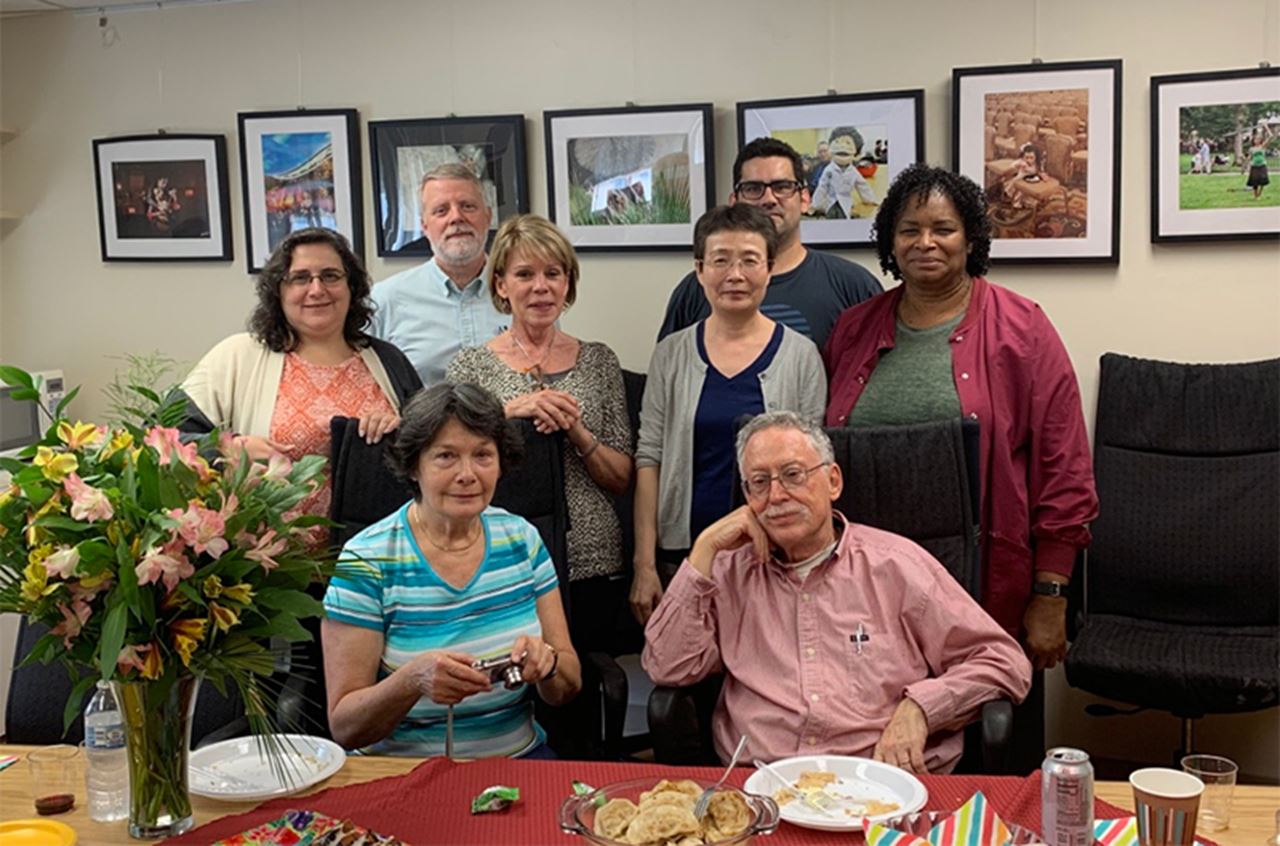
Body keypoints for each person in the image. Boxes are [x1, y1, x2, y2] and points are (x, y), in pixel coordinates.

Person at [823, 164, 1098, 765]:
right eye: (909, 229)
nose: (925, 242)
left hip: (983, 580)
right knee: (884, 747)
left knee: (990, 751)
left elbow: (1065, 465)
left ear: (971, 238)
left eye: (943, 228)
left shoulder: (1022, 327)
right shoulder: (853, 329)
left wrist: (1052, 591)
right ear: (889, 243)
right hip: (869, 589)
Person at [643, 411, 1031, 773]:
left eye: (793, 475)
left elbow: (1004, 661)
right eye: (759, 482)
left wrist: (922, 708)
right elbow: (667, 667)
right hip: (763, 789)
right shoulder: (727, 573)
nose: (776, 496)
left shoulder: (896, 566)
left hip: (881, 785)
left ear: (833, 481)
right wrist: (705, 548)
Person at [322, 383, 582, 757]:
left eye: (483, 455)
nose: (468, 474)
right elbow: (346, 727)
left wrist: (549, 665)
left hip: (517, 762)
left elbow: (567, 687)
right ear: (414, 465)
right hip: (400, 772)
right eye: (446, 456)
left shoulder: (522, 540)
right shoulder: (366, 560)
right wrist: (411, 681)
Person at [631, 205, 827, 625]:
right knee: (686, 672)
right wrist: (643, 564)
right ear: (699, 269)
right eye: (720, 260)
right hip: (682, 558)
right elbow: (649, 458)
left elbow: (813, 470)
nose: (735, 275)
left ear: (770, 269)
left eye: (750, 260)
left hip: (775, 557)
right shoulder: (672, 354)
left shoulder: (801, 356)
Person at [446, 214, 633, 646]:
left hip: (591, 556)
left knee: (582, 683)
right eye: (525, 274)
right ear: (501, 285)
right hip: (497, 552)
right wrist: (511, 412)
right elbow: (454, 462)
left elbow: (621, 477)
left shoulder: (599, 360)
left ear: (568, 283)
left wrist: (576, 430)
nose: (541, 287)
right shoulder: (469, 367)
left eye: (553, 273)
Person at [181, 227, 421, 531]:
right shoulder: (235, 357)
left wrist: (400, 432)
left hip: (371, 564)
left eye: (331, 276)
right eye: (300, 277)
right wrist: (231, 448)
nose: (317, 289)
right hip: (269, 565)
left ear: (352, 286)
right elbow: (163, 439)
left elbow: (434, 448)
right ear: (278, 290)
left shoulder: (388, 361)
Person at [657, 137, 881, 351]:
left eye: (782, 186)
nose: (769, 199)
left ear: (804, 199)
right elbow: (670, 372)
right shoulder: (700, 287)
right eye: (753, 188)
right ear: (735, 201)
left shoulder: (854, 286)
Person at [370, 163, 509, 386]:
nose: (456, 217)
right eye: (441, 210)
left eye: (467, 206)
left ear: (488, 216)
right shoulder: (385, 300)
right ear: (425, 226)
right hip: (421, 421)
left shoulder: (524, 292)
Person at [810, 126, 880, 219]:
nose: (842, 146)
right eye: (837, 142)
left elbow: (863, 186)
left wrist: (871, 200)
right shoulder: (828, 170)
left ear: (855, 153)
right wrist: (815, 205)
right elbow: (822, 188)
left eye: (848, 142)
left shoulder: (854, 172)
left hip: (846, 202)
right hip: (830, 202)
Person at [1246, 125, 1273, 199]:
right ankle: (1255, 195)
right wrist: (1247, 163)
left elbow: (1271, 136)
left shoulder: (1263, 146)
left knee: (1263, 180)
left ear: (1260, 140)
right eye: (1255, 139)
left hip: (1262, 165)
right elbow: (1249, 158)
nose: (1257, 140)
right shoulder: (1251, 149)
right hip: (1254, 165)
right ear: (1253, 140)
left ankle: (1259, 194)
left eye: (1258, 139)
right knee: (1254, 181)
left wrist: (1266, 127)